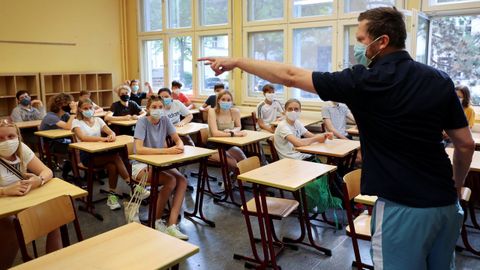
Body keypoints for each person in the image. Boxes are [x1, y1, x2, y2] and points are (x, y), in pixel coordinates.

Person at [199, 6, 475, 270]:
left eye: (360, 39)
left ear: (381, 42)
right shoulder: (438, 79)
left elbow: (291, 76)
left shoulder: (363, 81)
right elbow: (464, 144)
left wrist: (236, 61)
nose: (356, 47)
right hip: (446, 206)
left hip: (403, 207)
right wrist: (456, 186)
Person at [0, 119, 56, 269]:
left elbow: (47, 171)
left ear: (17, 137)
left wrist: (39, 180)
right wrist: (5, 190)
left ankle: (54, 263)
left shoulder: (21, 148)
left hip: (22, 203)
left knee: (54, 215)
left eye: (11, 137)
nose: (6, 141)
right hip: (3, 209)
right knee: (12, 225)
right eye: (0, 138)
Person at [72, 98, 144, 210]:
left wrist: (111, 135)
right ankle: (132, 185)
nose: (88, 110)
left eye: (90, 108)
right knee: (115, 157)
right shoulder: (76, 122)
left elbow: (111, 132)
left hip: (101, 154)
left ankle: (112, 196)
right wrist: (102, 139)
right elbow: (83, 137)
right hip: (87, 156)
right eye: (85, 108)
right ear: (80, 110)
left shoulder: (98, 120)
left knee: (112, 166)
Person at [133, 95, 188, 240]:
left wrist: (180, 146)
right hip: (141, 165)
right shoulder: (142, 122)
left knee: (182, 180)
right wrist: (168, 151)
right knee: (171, 180)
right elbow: (139, 149)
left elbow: (177, 140)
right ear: (148, 109)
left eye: (160, 107)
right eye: (154, 107)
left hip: (160, 162)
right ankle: (156, 221)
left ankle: (171, 224)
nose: (157, 110)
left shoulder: (165, 120)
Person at [39, 93, 76, 179]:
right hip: (50, 145)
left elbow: (76, 124)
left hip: (61, 141)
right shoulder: (50, 116)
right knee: (75, 149)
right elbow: (68, 126)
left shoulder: (64, 115)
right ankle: (76, 175)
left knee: (79, 147)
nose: (70, 105)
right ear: (60, 105)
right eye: (68, 103)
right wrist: (73, 112)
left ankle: (70, 170)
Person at [207, 90, 247, 171]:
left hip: (229, 144)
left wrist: (232, 131)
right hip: (214, 146)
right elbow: (215, 133)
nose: (226, 102)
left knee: (245, 161)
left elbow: (238, 126)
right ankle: (229, 182)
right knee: (233, 163)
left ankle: (236, 181)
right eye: (223, 99)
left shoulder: (235, 111)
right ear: (218, 101)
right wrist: (233, 134)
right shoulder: (212, 111)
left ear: (232, 101)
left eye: (229, 100)